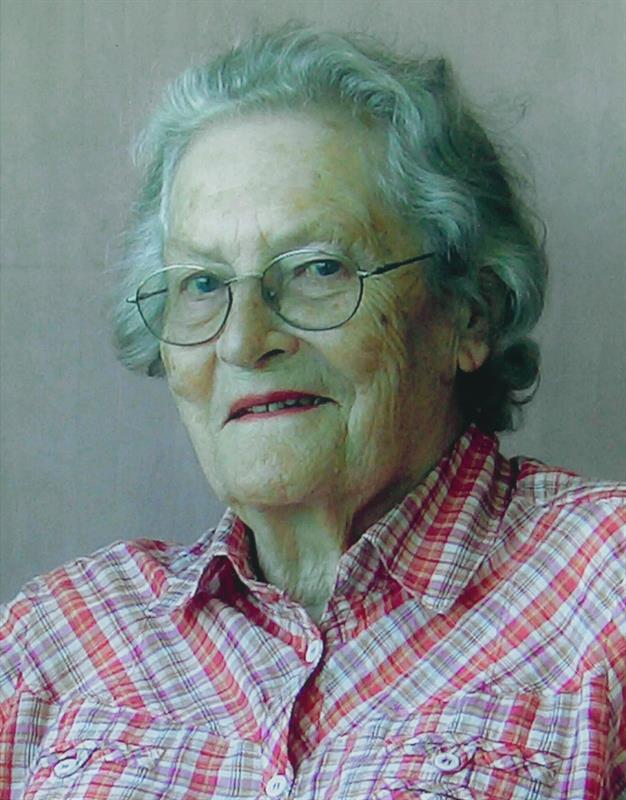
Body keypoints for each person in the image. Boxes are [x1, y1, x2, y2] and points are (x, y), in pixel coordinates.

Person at [1, 24, 624, 800]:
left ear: (469, 311)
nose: (243, 339)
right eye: (202, 284)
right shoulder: (52, 645)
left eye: (319, 269)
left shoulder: (604, 592)